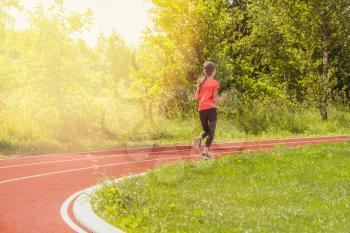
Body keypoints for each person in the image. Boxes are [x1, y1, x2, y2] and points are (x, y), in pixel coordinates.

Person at [193, 61, 226, 160]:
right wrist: (223, 98)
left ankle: (199, 139)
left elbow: (195, 98)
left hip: (201, 109)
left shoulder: (200, 82)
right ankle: (205, 153)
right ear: (214, 71)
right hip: (211, 109)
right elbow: (215, 99)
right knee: (211, 133)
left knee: (205, 131)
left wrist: (203, 98)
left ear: (205, 71)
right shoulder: (215, 83)